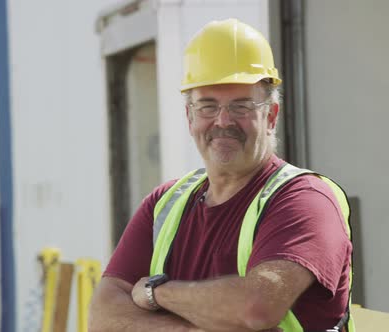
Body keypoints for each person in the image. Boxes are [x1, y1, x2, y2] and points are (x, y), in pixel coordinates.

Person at [89, 18, 354, 332]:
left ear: (270, 116)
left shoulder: (306, 200)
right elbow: (103, 317)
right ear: (190, 118)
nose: (223, 121)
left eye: (241, 106)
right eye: (207, 106)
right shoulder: (165, 203)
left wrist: (156, 292)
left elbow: (256, 307)